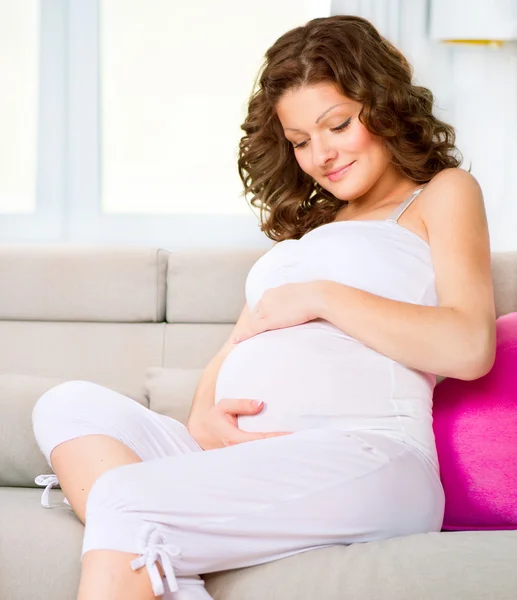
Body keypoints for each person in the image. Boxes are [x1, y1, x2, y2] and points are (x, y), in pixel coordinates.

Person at [32, 15, 496, 600]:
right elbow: (239, 343)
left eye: (337, 125)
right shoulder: (308, 232)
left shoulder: (441, 194)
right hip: (246, 458)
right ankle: (166, 549)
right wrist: (203, 415)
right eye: (301, 141)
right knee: (67, 405)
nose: (321, 154)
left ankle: (154, 536)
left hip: (368, 453)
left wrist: (322, 295)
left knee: (120, 499)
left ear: (383, 105)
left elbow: (469, 347)